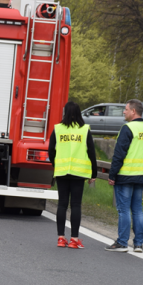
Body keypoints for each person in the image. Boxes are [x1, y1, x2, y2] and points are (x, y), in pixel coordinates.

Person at [105, 99, 143, 253]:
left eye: (126, 109)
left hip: (126, 175)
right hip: (141, 175)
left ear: (133, 111)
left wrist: (112, 175)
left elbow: (119, 155)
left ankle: (122, 242)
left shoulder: (127, 128)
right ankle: (139, 244)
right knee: (138, 210)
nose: (124, 112)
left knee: (124, 210)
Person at [48, 102, 97, 249]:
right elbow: (91, 152)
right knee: (76, 204)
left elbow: (51, 151)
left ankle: (61, 238)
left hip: (62, 171)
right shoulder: (84, 129)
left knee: (62, 204)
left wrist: (56, 165)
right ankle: (74, 239)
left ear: (65, 113)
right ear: (79, 113)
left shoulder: (58, 129)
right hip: (78, 173)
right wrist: (93, 173)